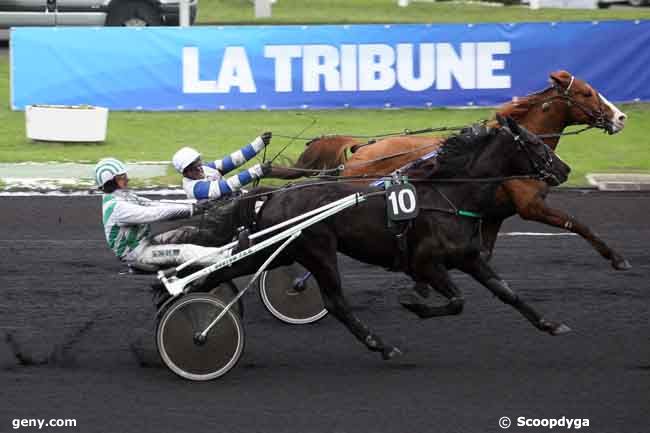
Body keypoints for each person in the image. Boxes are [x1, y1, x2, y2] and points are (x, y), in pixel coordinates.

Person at [95, 158, 230, 270]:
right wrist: (193, 209)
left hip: (145, 242)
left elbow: (158, 204)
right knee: (183, 251)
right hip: (138, 254)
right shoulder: (117, 207)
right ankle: (229, 256)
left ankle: (226, 243)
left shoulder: (125, 196)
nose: (127, 179)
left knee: (186, 232)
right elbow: (155, 213)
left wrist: (195, 204)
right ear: (111, 182)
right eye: (122, 177)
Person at [172, 132, 273, 200]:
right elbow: (227, 186)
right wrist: (256, 171)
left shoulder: (207, 168)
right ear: (185, 172)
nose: (200, 168)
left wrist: (259, 143)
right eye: (195, 168)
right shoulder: (195, 189)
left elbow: (232, 161)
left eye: (199, 163)